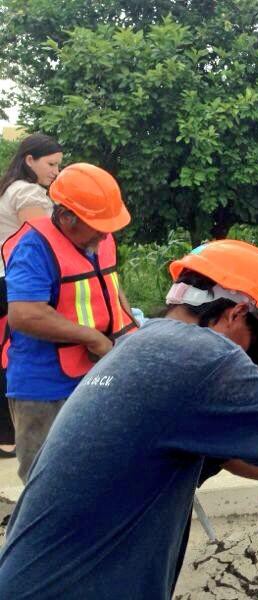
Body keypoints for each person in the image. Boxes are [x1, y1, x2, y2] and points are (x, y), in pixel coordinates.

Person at [0, 239, 258, 599]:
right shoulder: (200, 355)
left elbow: (242, 457)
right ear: (235, 314)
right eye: (252, 349)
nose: (247, 363)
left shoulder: (144, 347)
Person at [2, 163, 135, 482]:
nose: (105, 233)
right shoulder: (33, 248)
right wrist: (93, 338)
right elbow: (24, 313)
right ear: (66, 218)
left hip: (94, 373)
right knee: (45, 479)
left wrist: (131, 334)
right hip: (44, 385)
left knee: (95, 467)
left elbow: (113, 290)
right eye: (98, 225)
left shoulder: (100, 239)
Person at [0, 133, 63, 459]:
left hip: (6, 279)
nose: (55, 171)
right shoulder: (28, 192)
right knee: (18, 355)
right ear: (30, 160)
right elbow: (42, 242)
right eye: (51, 164)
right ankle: (10, 438)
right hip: (18, 283)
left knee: (6, 355)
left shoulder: (9, 188)